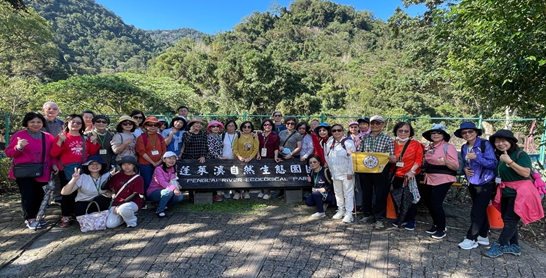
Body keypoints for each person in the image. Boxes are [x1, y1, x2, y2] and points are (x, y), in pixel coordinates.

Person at [484, 130, 544, 258]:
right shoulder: (499, 155)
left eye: (503, 141)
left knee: (510, 220)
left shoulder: (520, 155)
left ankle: (499, 245)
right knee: (508, 220)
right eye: (497, 141)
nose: (500, 144)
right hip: (506, 191)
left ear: (510, 142)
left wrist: (509, 162)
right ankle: (515, 246)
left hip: (520, 193)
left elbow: (526, 173)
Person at [6, 112, 58, 229]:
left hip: (42, 171)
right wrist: (19, 147)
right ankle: (30, 218)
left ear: (42, 123)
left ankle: (37, 216)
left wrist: (54, 165)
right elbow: (9, 153)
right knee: (28, 195)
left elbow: (52, 154)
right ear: (27, 123)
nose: (36, 124)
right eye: (32, 122)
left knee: (39, 195)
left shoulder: (48, 136)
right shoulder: (19, 135)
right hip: (24, 172)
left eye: (38, 122)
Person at [51, 114, 101, 227]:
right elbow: (53, 153)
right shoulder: (62, 136)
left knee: (80, 192)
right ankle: (65, 216)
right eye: (73, 122)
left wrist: (94, 142)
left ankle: (76, 213)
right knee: (67, 193)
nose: (75, 124)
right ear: (67, 123)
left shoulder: (84, 138)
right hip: (66, 169)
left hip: (81, 168)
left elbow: (92, 153)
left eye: (79, 123)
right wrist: (59, 142)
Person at [455, 122, 498, 250]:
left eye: (470, 132)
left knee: (476, 211)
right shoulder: (464, 147)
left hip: (485, 182)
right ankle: (483, 236)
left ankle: (471, 238)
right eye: (464, 132)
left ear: (476, 132)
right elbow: (465, 164)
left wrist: (477, 157)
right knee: (480, 209)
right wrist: (465, 170)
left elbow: (493, 163)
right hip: (472, 182)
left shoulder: (485, 144)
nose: (467, 134)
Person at [357, 115, 396, 230]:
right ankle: (367, 214)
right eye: (372, 123)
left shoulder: (388, 139)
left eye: (378, 123)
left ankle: (379, 218)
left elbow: (390, 155)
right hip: (365, 170)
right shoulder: (364, 138)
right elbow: (359, 152)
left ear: (382, 125)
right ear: (370, 125)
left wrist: (391, 158)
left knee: (380, 194)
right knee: (366, 193)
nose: (375, 126)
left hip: (381, 171)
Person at [421, 123, 459, 239]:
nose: (436, 135)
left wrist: (446, 162)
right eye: (433, 133)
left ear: (443, 135)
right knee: (428, 202)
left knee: (436, 203)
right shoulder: (429, 147)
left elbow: (455, 166)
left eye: (439, 133)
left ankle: (441, 229)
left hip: (443, 178)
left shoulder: (448, 147)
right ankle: (436, 224)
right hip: (429, 177)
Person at [390, 122, 424, 231]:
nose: (403, 133)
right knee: (398, 198)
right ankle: (401, 218)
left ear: (410, 132)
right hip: (397, 175)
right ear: (396, 131)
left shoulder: (415, 144)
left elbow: (418, 160)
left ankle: (411, 220)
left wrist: (412, 171)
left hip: (411, 176)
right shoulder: (392, 143)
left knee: (410, 199)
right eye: (400, 130)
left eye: (406, 131)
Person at [324, 124, 356, 223]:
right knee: (338, 193)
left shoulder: (348, 142)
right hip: (335, 172)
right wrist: (331, 170)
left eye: (339, 130)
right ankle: (341, 210)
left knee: (348, 193)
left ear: (342, 131)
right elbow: (327, 156)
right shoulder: (329, 143)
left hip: (346, 173)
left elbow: (352, 158)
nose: (336, 132)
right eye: (334, 130)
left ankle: (349, 213)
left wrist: (350, 172)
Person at [106, 156, 144, 228]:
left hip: (132, 202)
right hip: (117, 202)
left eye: (129, 164)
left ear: (134, 165)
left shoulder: (138, 178)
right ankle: (124, 217)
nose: (126, 166)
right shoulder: (118, 176)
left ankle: (131, 222)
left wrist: (120, 204)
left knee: (124, 209)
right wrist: (110, 176)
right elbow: (104, 187)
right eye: (124, 164)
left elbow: (135, 194)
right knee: (110, 225)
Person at [136, 116, 166, 197]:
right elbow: (141, 151)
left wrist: (159, 162)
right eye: (150, 124)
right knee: (147, 182)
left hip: (159, 163)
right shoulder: (141, 137)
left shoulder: (160, 137)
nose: (153, 127)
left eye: (155, 125)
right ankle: (148, 199)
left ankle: (157, 198)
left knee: (159, 181)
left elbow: (164, 151)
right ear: (145, 126)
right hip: (145, 164)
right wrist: (153, 162)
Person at [147, 151, 184, 218]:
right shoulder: (158, 169)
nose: (172, 160)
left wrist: (178, 184)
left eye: (174, 159)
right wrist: (174, 188)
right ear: (164, 159)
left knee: (180, 196)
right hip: (154, 191)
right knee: (168, 191)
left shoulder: (174, 167)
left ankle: (161, 205)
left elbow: (174, 178)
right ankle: (159, 211)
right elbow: (162, 182)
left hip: (167, 190)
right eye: (169, 158)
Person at [41, 101, 63, 203]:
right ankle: (43, 199)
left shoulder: (62, 124)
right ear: (43, 110)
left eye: (54, 109)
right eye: (49, 108)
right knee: (43, 175)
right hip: (42, 153)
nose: (51, 111)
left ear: (58, 111)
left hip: (58, 152)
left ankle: (57, 197)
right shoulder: (38, 122)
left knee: (57, 175)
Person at [232, 121, 259, 199]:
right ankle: (237, 192)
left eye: (249, 127)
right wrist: (239, 156)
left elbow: (256, 149)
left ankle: (246, 192)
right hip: (239, 160)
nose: (247, 128)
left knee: (248, 176)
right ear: (242, 128)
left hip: (250, 160)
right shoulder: (238, 136)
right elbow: (234, 148)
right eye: (245, 127)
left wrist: (250, 157)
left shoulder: (254, 137)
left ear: (251, 128)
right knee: (238, 176)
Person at [257, 119, 281, 199]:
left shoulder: (275, 136)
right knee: (260, 175)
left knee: (269, 175)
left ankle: (268, 192)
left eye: (269, 125)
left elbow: (276, 148)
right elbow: (256, 147)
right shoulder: (259, 135)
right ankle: (261, 191)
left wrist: (275, 157)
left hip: (270, 157)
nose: (267, 126)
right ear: (263, 126)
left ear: (272, 126)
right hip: (260, 158)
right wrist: (258, 154)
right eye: (265, 125)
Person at [206, 120, 226, 202]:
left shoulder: (218, 136)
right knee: (212, 177)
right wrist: (218, 157)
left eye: (217, 126)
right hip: (211, 160)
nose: (215, 128)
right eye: (213, 126)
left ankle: (214, 193)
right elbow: (211, 149)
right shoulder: (210, 137)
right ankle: (214, 194)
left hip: (217, 160)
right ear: (210, 128)